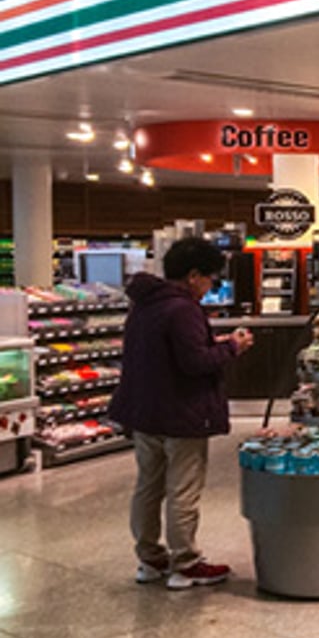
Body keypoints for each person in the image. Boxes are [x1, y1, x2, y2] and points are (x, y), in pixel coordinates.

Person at [108, 237, 254, 590]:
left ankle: (150, 557)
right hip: (182, 413)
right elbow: (194, 363)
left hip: (145, 412)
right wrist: (233, 347)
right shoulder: (183, 309)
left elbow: (166, 354)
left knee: (148, 486)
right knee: (183, 490)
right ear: (192, 276)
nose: (209, 287)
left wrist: (212, 346)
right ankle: (185, 562)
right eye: (209, 279)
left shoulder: (144, 305)